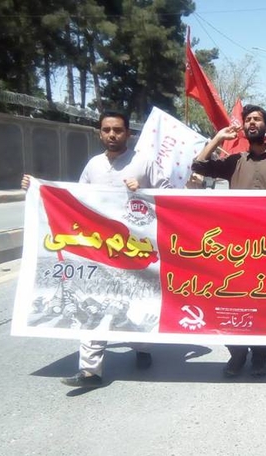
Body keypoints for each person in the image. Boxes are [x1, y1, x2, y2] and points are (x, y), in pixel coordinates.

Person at [22, 111, 171, 388]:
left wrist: (144, 190)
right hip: (98, 249)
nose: (112, 135)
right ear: (100, 133)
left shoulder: (144, 163)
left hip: (136, 249)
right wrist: (36, 190)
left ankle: (142, 347)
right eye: (106, 130)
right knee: (94, 298)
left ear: (128, 134)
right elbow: (75, 200)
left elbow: (171, 196)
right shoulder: (93, 166)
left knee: (136, 303)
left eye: (117, 130)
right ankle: (91, 370)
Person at [192, 104, 266, 377]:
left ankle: (261, 355)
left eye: (257, 119)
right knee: (231, 301)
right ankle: (237, 353)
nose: (251, 123)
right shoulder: (235, 161)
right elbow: (198, 166)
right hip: (237, 248)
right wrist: (218, 138)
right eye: (248, 119)